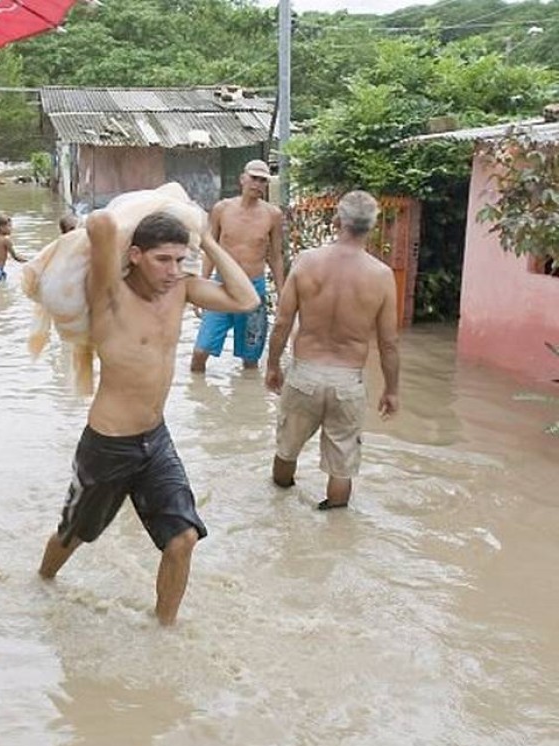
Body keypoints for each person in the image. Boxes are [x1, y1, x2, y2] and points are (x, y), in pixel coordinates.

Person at [37, 209, 261, 626]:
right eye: (163, 260)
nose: (173, 270)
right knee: (74, 534)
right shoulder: (108, 295)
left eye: (181, 260)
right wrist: (138, 216)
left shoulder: (182, 289)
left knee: (183, 539)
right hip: (107, 444)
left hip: (155, 440)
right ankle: (42, 581)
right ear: (136, 255)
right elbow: (102, 223)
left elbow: (247, 300)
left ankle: (165, 631)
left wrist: (207, 240)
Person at [266, 190, 401, 511]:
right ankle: (336, 535)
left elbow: (282, 322)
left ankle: (281, 508)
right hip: (347, 382)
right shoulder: (381, 276)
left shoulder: (306, 262)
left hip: (304, 375)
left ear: (337, 220)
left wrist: (273, 366)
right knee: (342, 465)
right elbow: (389, 343)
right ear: (371, 228)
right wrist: (392, 390)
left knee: (287, 450)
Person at [190, 159, 286, 372]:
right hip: (221, 288)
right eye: (254, 178)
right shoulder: (222, 209)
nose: (257, 184)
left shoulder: (273, 215)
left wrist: (282, 295)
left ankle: (248, 402)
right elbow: (209, 249)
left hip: (254, 290)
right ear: (243, 179)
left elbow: (276, 256)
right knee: (199, 353)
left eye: (263, 180)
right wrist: (200, 287)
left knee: (250, 360)